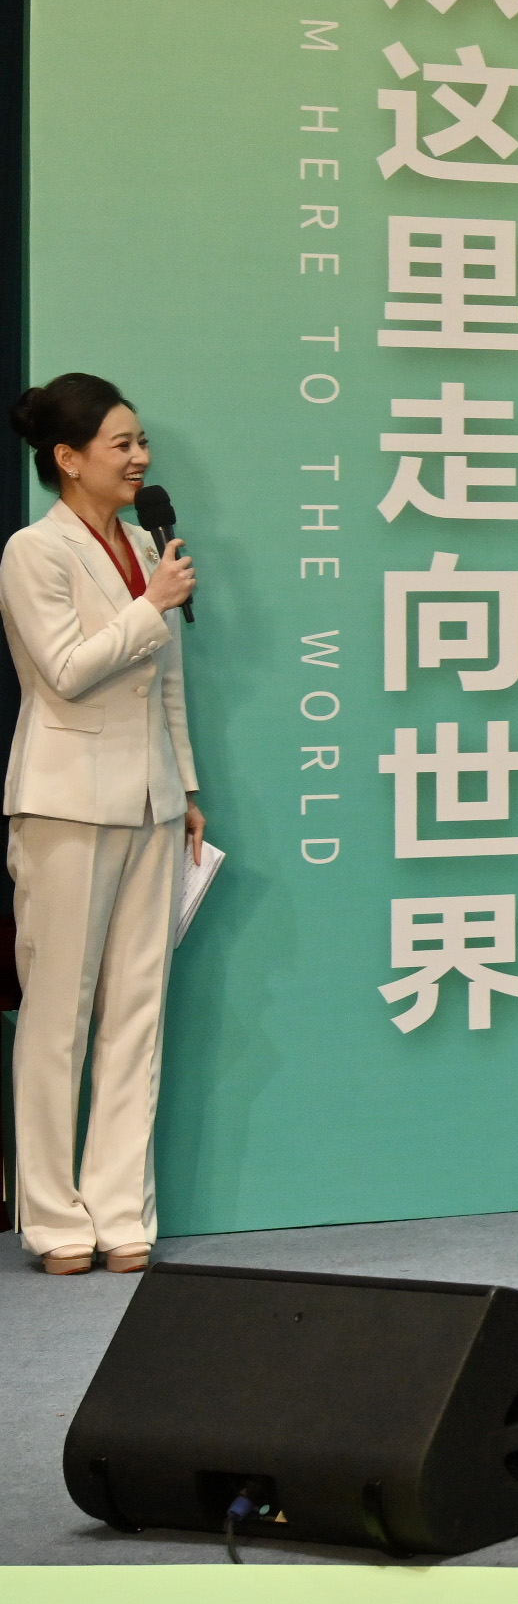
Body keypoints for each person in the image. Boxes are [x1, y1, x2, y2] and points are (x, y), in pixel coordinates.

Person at [5, 377, 199, 1275]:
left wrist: (186, 785)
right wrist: (149, 606)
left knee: (137, 1011)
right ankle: (54, 1221)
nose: (140, 459)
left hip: (151, 800)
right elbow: (65, 670)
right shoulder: (34, 551)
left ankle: (122, 1212)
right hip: (66, 802)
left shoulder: (146, 546)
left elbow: (168, 684)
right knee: (59, 1016)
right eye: (122, 444)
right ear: (68, 458)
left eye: (141, 441)